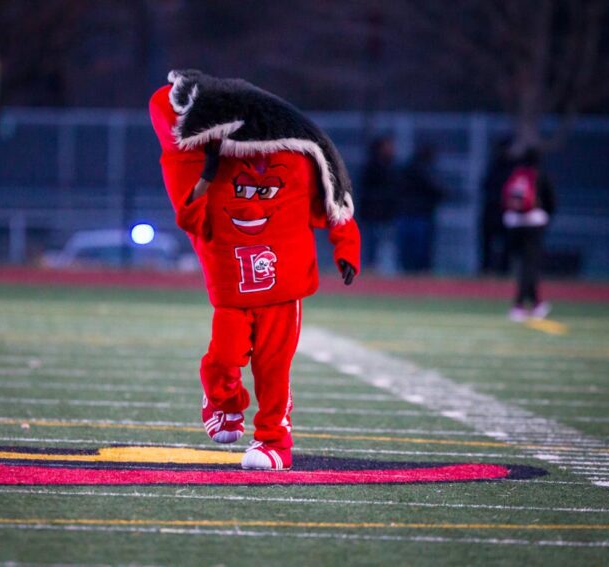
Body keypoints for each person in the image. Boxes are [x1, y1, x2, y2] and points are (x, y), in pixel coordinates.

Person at [149, 70, 360, 471]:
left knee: (274, 369)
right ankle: (223, 401)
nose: (252, 202)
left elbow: (335, 197)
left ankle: (274, 442)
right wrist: (210, 159)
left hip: (284, 285)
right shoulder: (213, 160)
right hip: (233, 284)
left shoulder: (295, 158)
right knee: (223, 359)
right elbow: (189, 213)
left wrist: (346, 245)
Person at [503, 148, 556, 321]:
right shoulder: (540, 176)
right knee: (530, 266)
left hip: (514, 224)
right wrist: (545, 217)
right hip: (533, 224)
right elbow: (551, 202)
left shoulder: (516, 175)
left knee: (524, 266)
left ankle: (537, 304)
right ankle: (518, 306)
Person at [395, 145, 446, 273]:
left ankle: (409, 273)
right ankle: (419, 273)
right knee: (419, 250)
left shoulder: (405, 170)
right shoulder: (425, 172)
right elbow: (437, 190)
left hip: (410, 213)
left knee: (409, 251)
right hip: (420, 215)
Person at [358, 136, 398, 270]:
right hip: (373, 213)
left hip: (387, 213)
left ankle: (385, 268)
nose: (391, 150)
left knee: (385, 243)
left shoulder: (392, 167)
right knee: (372, 243)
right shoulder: (372, 167)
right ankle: (371, 268)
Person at [479, 138, 513, 274]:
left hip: (506, 210)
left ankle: (503, 270)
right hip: (492, 210)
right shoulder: (493, 166)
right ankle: (486, 269)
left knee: (507, 243)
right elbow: (485, 186)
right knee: (488, 242)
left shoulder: (513, 168)